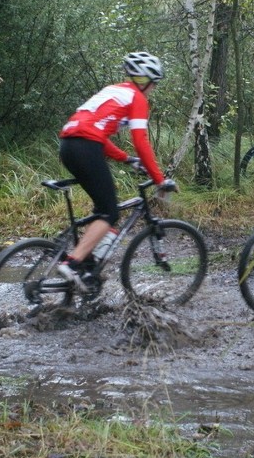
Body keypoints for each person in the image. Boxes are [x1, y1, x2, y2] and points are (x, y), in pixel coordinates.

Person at [57, 51, 176, 289]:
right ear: (147, 81)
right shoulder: (137, 98)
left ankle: (86, 265)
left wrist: (127, 159)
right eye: (154, 84)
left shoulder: (113, 91)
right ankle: (72, 263)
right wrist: (159, 179)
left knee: (102, 208)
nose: (153, 89)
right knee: (110, 212)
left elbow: (95, 134)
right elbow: (141, 140)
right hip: (86, 147)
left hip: (68, 146)